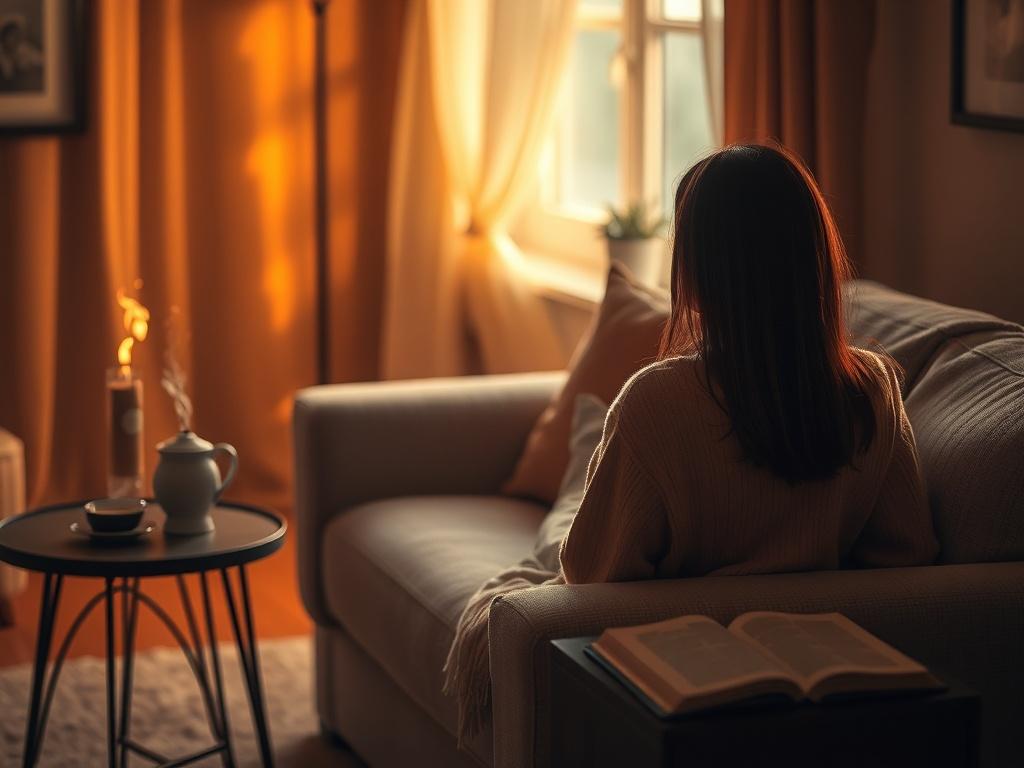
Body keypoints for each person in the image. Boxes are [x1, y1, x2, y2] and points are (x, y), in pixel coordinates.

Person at [560, 144, 938, 584]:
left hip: (678, 629)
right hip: (818, 627)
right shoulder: (871, 389)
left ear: (696, 271)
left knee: (539, 553)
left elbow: (588, 577)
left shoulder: (654, 402)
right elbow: (907, 553)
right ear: (814, 258)